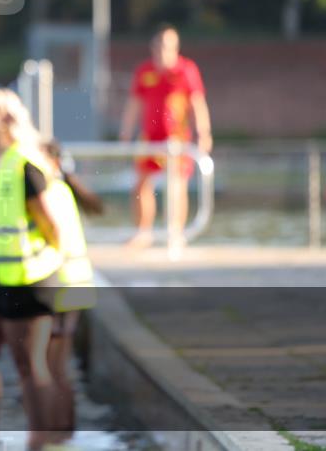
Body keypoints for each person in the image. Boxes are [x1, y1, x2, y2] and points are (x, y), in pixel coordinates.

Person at [0, 86, 66, 451]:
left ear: (5, 118)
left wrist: (45, 270)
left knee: (29, 366)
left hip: (29, 278)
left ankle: (41, 442)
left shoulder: (25, 163)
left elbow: (54, 228)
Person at [118, 24, 212, 251]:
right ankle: (143, 232)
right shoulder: (145, 71)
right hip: (150, 137)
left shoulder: (186, 70)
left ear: (176, 48)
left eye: (168, 47)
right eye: (159, 46)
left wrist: (204, 133)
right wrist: (125, 133)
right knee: (141, 183)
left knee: (176, 185)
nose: (163, 52)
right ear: (153, 48)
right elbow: (134, 104)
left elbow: (197, 103)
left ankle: (176, 233)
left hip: (176, 138)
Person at [36, 140, 103, 442]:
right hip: (76, 284)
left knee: (54, 365)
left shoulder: (50, 193)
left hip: (63, 284)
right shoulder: (62, 189)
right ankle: (63, 430)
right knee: (58, 364)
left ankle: (59, 431)